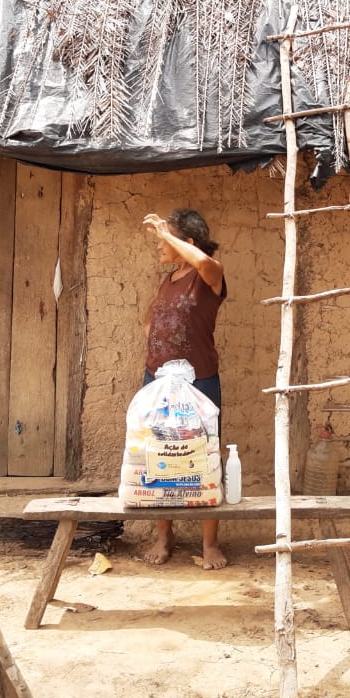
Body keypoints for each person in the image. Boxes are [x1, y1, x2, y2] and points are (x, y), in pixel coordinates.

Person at [139, 208, 229, 569]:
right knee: (158, 457)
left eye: (167, 240)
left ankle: (210, 544)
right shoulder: (170, 279)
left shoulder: (211, 275)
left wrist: (169, 235)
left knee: (204, 456)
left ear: (187, 243)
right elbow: (149, 322)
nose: (161, 246)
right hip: (158, 382)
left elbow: (205, 261)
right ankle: (164, 536)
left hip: (199, 381)